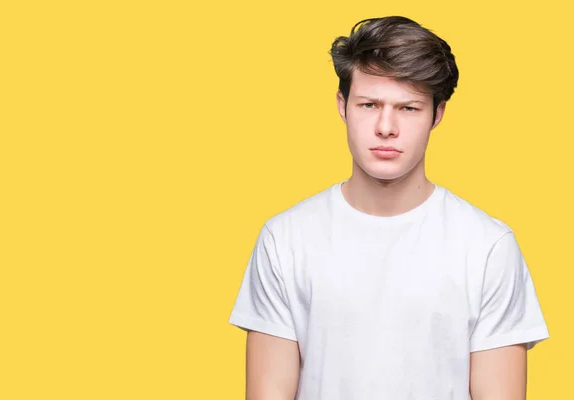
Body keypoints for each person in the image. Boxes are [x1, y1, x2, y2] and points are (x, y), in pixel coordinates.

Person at [228, 16, 549, 399]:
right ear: (342, 105)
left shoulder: (487, 246)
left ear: (437, 115)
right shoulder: (285, 239)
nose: (386, 127)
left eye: (408, 108)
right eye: (369, 104)